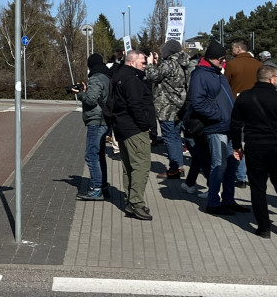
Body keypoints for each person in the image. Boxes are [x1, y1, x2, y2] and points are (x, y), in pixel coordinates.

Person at [230, 65, 277, 239]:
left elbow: (236, 124)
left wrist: (237, 145)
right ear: (271, 79)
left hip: (254, 147)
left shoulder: (244, 97)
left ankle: (264, 227)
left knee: (258, 188)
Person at [188, 40, 243, 216]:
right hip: (216, 127)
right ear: (213, 58)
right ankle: (213, 202)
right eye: (221, 59)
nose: (224, 62)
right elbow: (198, 102)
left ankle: (228, 199)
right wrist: (218, 115)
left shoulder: (218, 73)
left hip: (228, 126)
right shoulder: (200, 75)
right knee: (219, 165)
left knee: (232, 164)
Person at [110, 50, 158, 220]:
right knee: (141, 166)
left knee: (130, 166)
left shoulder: (119, 77)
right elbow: (136, 105)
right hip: (134, 129)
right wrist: (146, 126)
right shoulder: (132, 80)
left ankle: (131, 202)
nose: (145, 65)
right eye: (143, 62)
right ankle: (136, 203)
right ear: (131, 62)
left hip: (123, 128)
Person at [146, 39, 190, 179]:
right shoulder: (183, 64)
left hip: (167, 107)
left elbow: (153, 76)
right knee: (176, 137)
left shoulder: (169, 64)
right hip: (180, 106)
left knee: (170, 138)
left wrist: (150, 63)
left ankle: (175, 168)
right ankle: (179, 167)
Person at [72, 53, 112, 201]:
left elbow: (91, 99)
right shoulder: (107, 77)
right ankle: (103, 186)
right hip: (105, 119)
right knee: (100, 155)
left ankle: (96, 188)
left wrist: (81, 93)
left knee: (91, 155)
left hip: (97, 120)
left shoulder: (96, 78)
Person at [224, 38, 261, 188]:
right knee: (253, 141)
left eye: (233, 48)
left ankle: (239, 175)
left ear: (239, 49)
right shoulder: (259, 65)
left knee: (235, 141)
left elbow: (225, 85)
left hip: (236, 107)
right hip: (256, 108)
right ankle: (255, 174)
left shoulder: (232, 65)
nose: (232, 51)